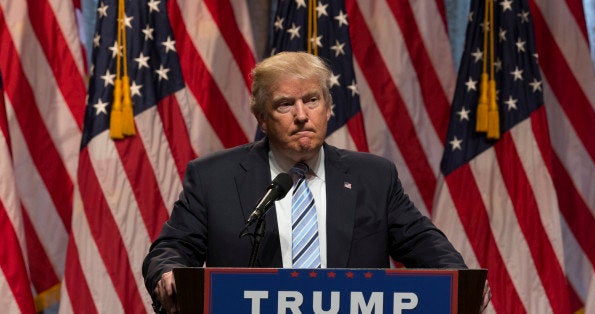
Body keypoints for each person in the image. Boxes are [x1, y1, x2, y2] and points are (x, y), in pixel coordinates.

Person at [142, 51, 474, 313]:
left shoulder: (374, 177)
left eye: (312, 100)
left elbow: (425, 245)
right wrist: (169, 272)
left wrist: (462, 282)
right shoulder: (214, 177)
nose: (302, 115)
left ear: (328, 109)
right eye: (285, 104)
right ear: (261, 118)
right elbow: (172, 248)